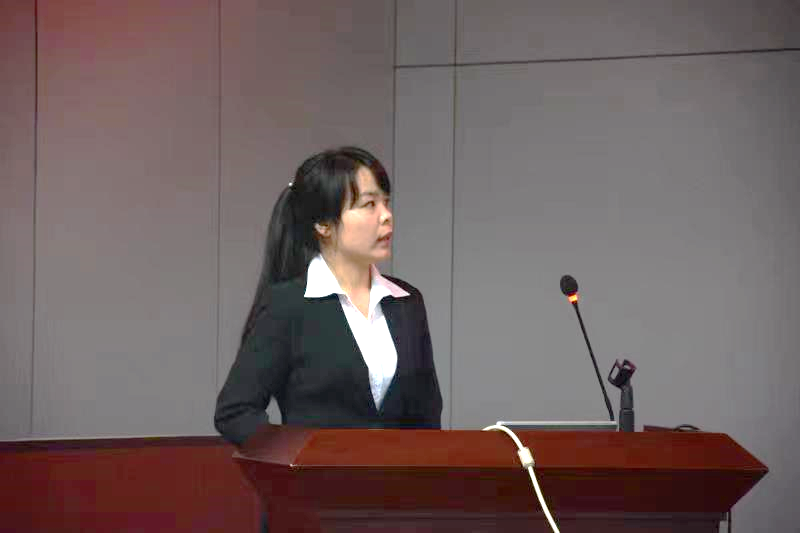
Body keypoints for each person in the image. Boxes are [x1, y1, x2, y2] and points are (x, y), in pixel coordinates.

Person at [214, 145, 442, 487]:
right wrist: (299, 461)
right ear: (323, 224)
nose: (386, 216)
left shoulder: (407, 303)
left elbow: (426, 418)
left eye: (386, 202)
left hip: (396, 500)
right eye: (369, 205)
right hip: (314, 499)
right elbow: (235, 411)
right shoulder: (288, 305)